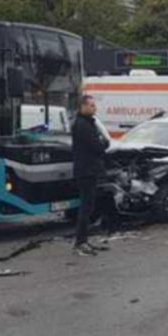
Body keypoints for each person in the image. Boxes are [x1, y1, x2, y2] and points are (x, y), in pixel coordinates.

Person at [71, 95, 111, 257]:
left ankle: (84, 240)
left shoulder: (88, 123)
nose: (95, 108)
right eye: (92, 105)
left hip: (90, 170)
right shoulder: (82, 125)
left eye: (94, 105)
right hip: (86, 171)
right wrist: (105, 142)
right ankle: (80, 242)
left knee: (89, 206)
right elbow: (98, 147)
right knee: (86, 207)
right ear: (82, 107)